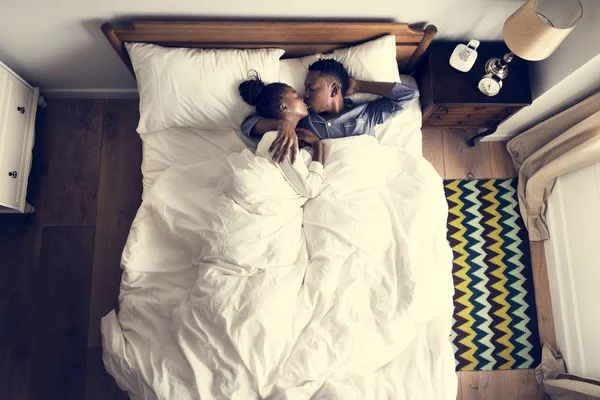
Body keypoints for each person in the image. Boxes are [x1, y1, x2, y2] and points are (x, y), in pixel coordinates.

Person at [241, 59, 419, 164]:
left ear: (334, 90)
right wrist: (282, 123)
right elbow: (248, 125)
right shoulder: (304, 121)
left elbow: (409, 95)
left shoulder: (366, 115)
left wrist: (358, 85)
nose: (305, 95)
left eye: (312, 89)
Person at [238, 75, 325, 198]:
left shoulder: (296, 132)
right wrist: (318, 145)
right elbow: (311, 189)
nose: (302, 98)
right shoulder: (280, 140)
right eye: (296, 96)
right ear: (284, 107)